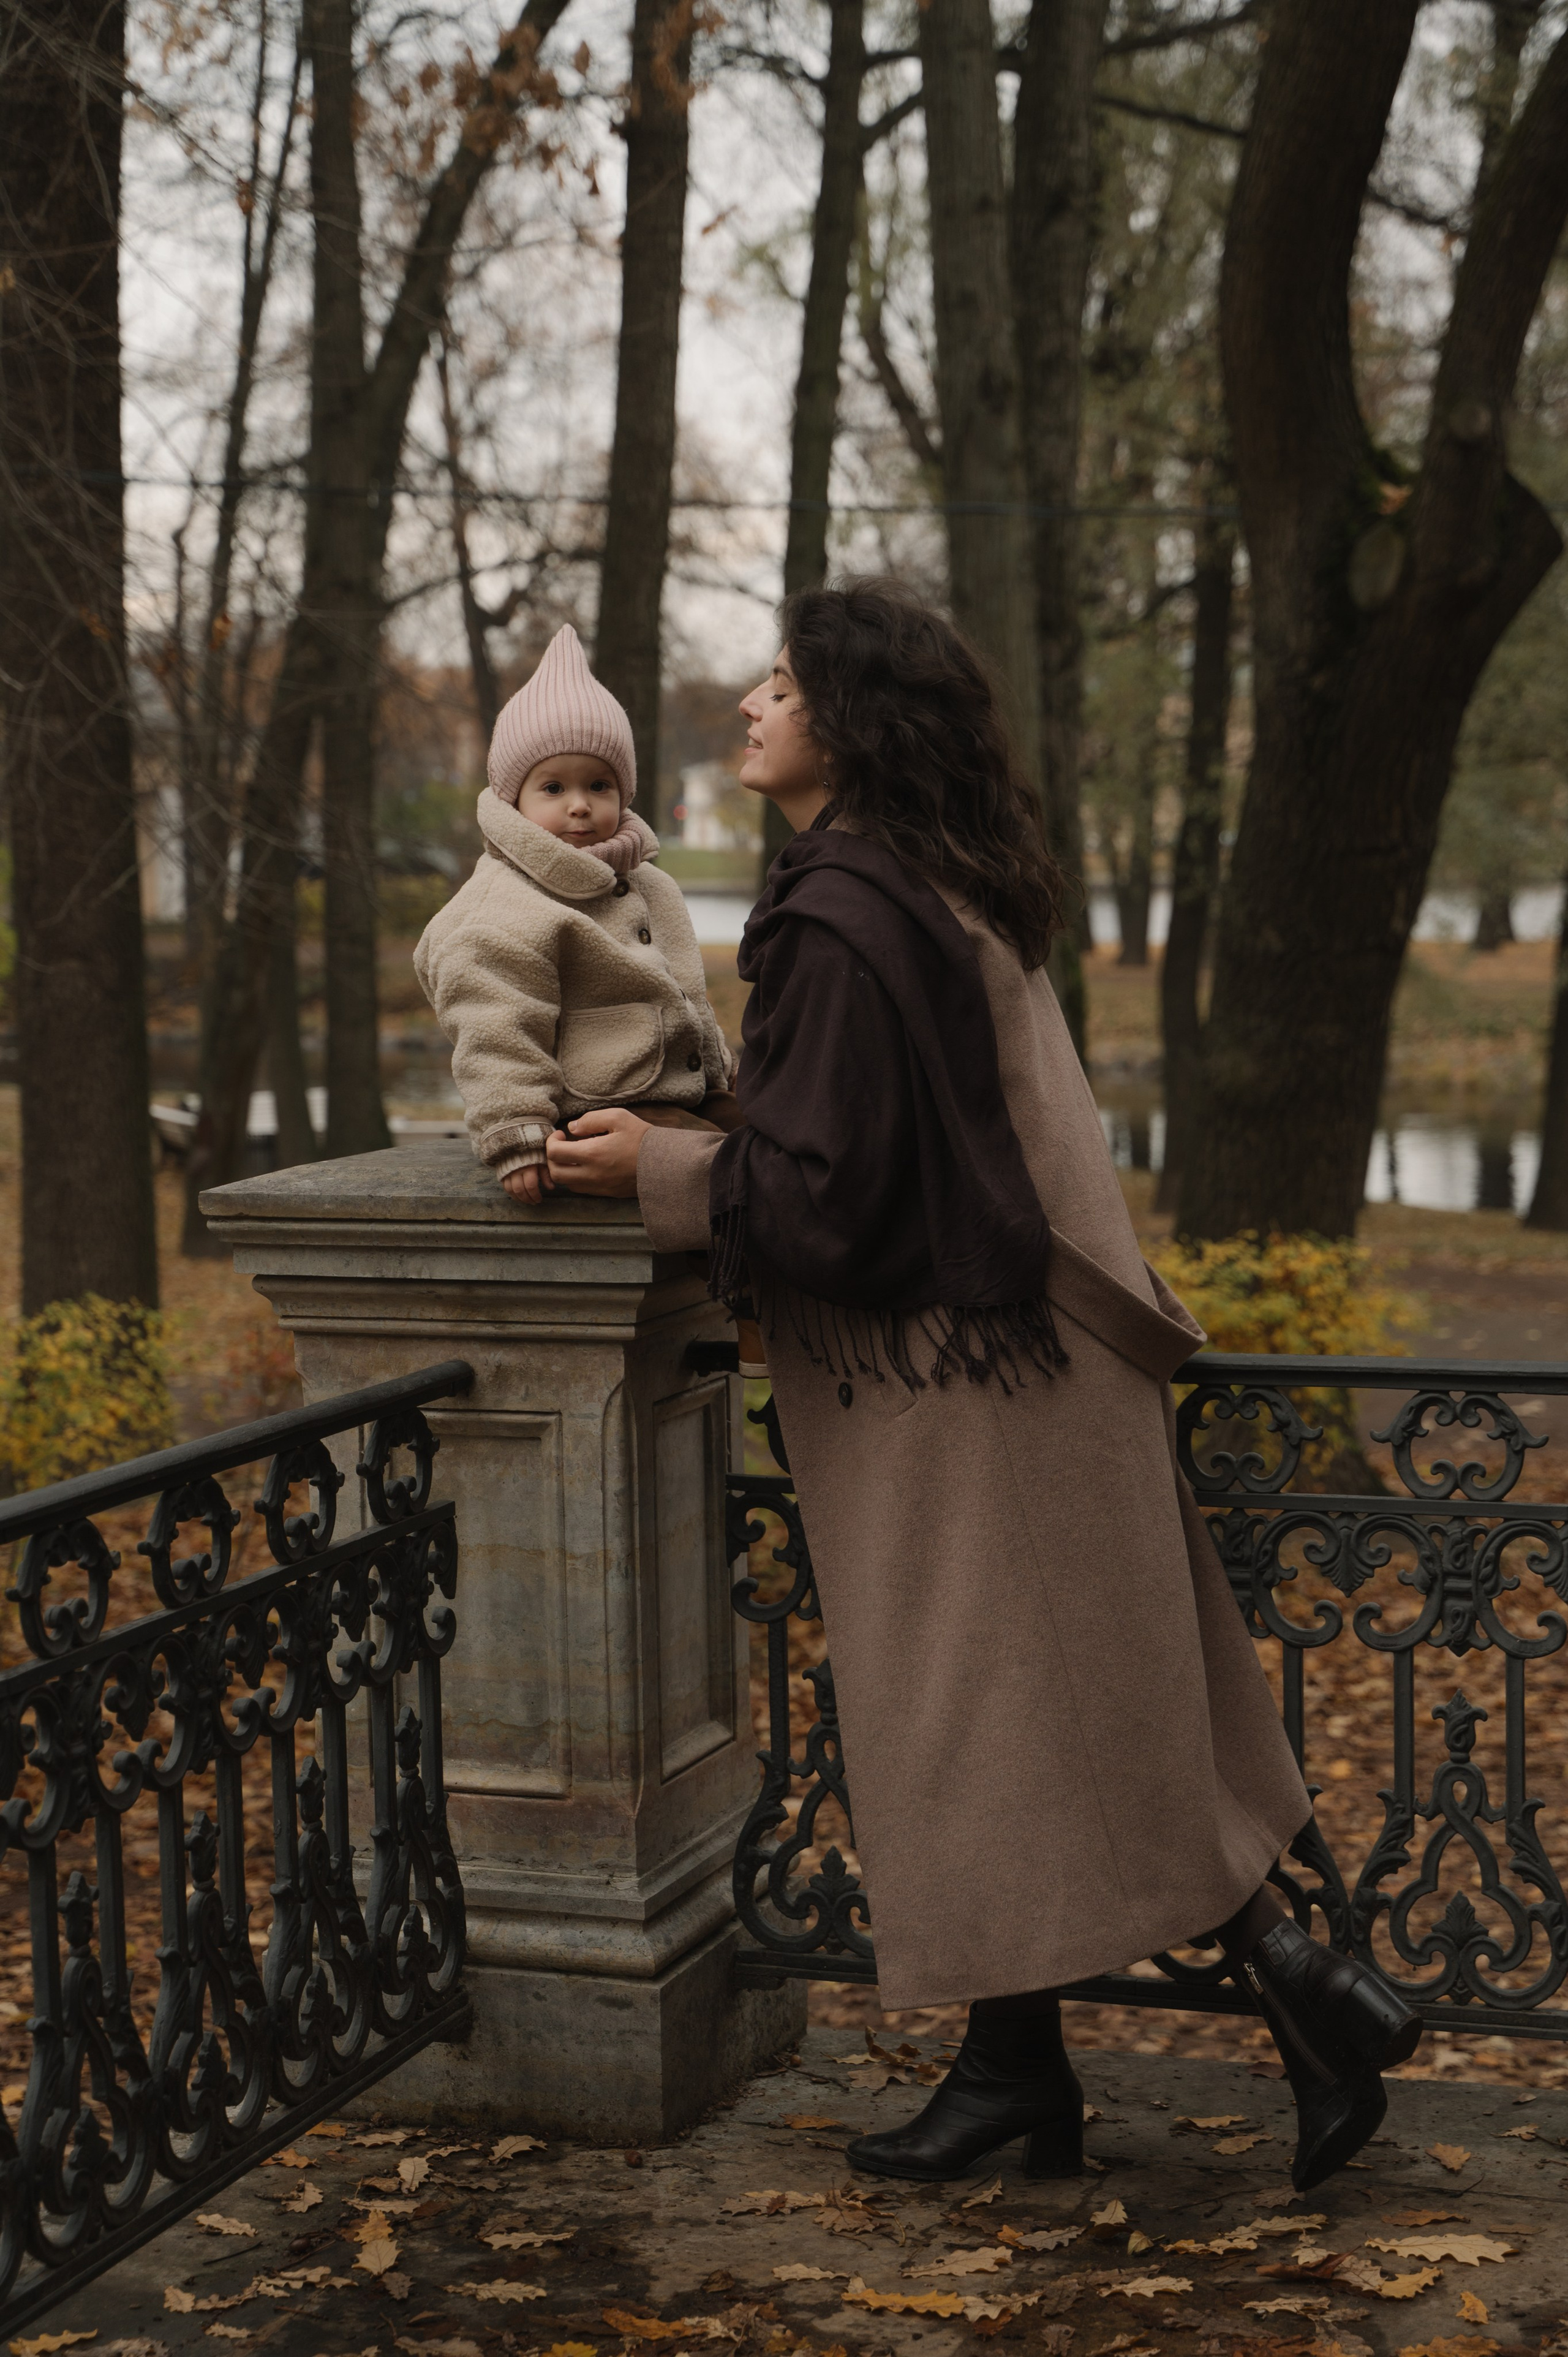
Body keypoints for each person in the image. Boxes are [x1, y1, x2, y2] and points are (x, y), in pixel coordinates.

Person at [543, 580, 1421, 2193]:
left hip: (974, 1387)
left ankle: (1303, 1999)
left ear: (854, 721)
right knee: (1043, 1728)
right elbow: (871, 1135)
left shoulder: (844, 912)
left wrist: (660, 1169)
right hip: (1031, 1370)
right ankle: (1034, 2062)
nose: (750, 700)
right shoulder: (935, 881)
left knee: (1013, 1725)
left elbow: (832, 1198)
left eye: (787, 684)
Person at [414, 624, 738, 1206]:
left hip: (678, 1097)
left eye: (599, 784)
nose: (580, 804)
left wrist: (718, 1069)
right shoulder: (507, 903)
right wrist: (515, 1129)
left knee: (777, 1140)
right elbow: (495, 1023)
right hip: (592, 1118)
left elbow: (686, 990)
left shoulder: (650, 884)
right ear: (515, 798)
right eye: (554, 787)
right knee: (741, 1180)